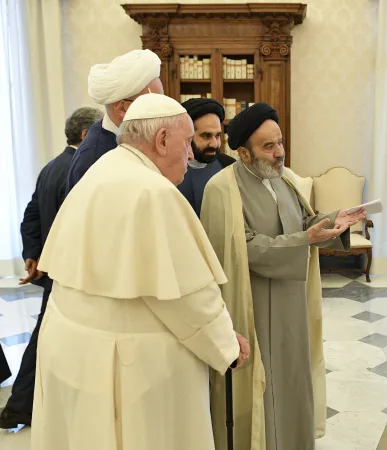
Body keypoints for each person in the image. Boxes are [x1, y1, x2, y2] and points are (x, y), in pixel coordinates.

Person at [30, 93, 250, 450]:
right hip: (127, 368)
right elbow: (187, 298)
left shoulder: (102, 168)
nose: (192, 154)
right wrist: (226, 344)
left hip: (72, 352)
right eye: (186, 141)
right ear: (162, 140)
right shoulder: (154, 192)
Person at [200, 102, 366, 450]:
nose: (279, 153)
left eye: (280, 142)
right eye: (268, 146)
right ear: (243, 153)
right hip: (253, 309)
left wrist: (337, 219)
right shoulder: (221, 189)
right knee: (260, 390)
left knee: (291, 382)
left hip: (291, 305)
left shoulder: (285, 179)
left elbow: (304, 224)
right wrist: (303, 240)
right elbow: (242, 249)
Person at [0, 107, 103, 430]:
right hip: (73, 273)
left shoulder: (50, 167)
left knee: (47, 338)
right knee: (50, 340)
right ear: (87, 135)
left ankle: (23, 406)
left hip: (55, 269)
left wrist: (34, 254)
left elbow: (31, 215)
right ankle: (24, 407)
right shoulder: (82, 169)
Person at [65, 49, 163, 193]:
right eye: (152, 102)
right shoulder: (93, 158)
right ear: (121, 108)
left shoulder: (130, 138)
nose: (161, 109)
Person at [177, 98, 236, 216]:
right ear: (187, 135)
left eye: (218, 135)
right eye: (206, 136)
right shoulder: (167, 171)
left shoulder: (230, 167)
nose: (214, 144)